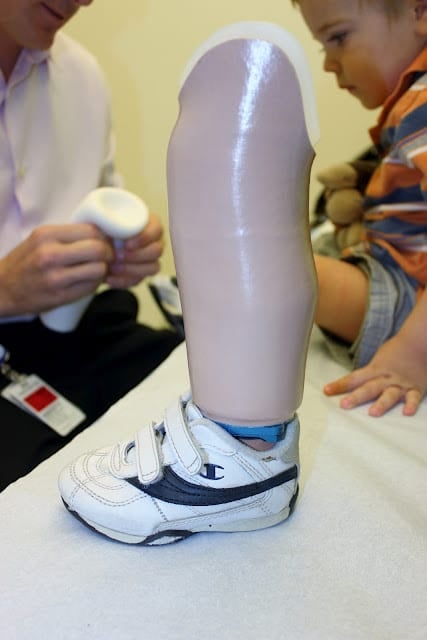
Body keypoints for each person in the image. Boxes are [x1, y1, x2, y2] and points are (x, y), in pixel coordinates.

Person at [58, 22, 318, 545]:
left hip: (86, 319)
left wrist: (120, 253)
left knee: (232, 175)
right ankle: (247, 451)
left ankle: (247, 451)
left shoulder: (77, 74)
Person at [0, 0, 182, 491]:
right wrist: (5, 290)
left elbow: (103, 200)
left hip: (74, 337)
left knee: (195, 385)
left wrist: (124, 250)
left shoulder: (81, 76)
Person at [293, 0, 427, 416]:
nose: (328, 64)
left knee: (280, 268)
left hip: (412, 300)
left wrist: (412, 353)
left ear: (421, 12)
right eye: (323, 46)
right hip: (397, 271)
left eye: (338, 37)